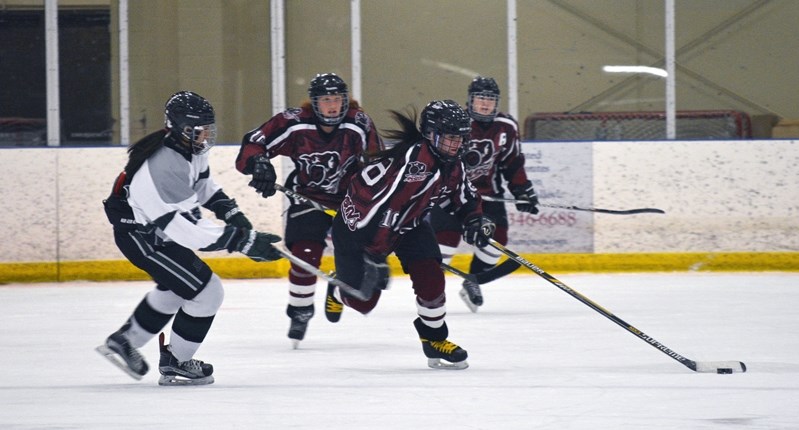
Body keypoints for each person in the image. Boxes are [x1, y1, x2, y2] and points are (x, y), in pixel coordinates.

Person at [97, 91, 283, 386]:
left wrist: (231, 213)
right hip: (143, 234)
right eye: (200, 130)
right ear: (181, 128)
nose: (206, 136)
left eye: (208, 129)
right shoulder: (164, 165)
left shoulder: (189, 148)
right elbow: (187, 230)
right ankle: (177, 363)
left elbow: (203, 185)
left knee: (177, 290)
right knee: (207, 292)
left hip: (151, 228)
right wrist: (243, 241)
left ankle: (124, 341)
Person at [328, 100, 495, 369]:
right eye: (450, 138)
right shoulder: (411, 162)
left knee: (432, 278)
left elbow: (463, 196)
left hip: (407, 224)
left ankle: (434, 340)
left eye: (460, 138)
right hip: (358, 230)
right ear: (431, 134)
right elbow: (377, 208)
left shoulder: (452, 163)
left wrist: (476, 219)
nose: (456, 144)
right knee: (363, 301)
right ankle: (338, 289)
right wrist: (374, 256)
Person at [235, 73, 383, 347]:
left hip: (349, 203)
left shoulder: (358, 124)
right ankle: (301, 310)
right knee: (305, 251)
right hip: (307, 197)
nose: (332, 106)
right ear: (314, 103)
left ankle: (338, 292)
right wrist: (258, 164)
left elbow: (379, 165)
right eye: (325, 100)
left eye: (337, 99)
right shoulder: (294, 122)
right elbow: (253, 144)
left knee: (366, 300)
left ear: (345, 101)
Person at [430, 76, 539, 312]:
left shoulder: (506, 126)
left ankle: (473, 280)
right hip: (451, 195)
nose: (485, 104)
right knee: (444, 246)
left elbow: (512, 162)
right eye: (481, 98)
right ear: (470, 100)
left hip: (488, 196)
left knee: (495, 243)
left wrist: (522, 189)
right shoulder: (457, 122)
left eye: (490, 99)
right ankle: (432, 291)